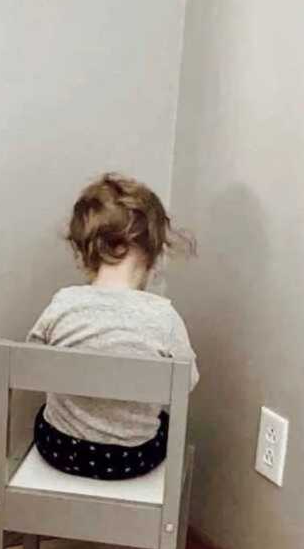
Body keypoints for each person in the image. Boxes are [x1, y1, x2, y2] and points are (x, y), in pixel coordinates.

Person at [26, 172, 199, 479]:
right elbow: (187, 382)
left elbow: (31, 365)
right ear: (153, 254)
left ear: (84, 250)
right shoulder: (164, 318)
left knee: (47, 413)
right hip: (132, 459)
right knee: (168, 424)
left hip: (60, 449)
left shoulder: (63, 304)